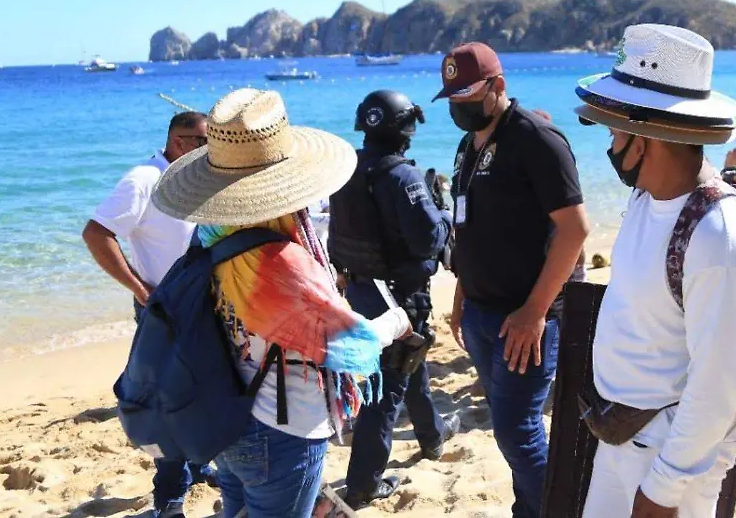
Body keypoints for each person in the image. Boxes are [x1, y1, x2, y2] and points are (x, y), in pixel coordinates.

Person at [150, 88, 412, 518]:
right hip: (280, 426)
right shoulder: (279, 260)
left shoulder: (211, 236)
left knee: (236, 506)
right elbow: (347, 341)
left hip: (223, 410)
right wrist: (396, 323)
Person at [574, 24, 736, 517]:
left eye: (616, 132)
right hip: (622, 436)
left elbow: (718, 381)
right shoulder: (646, 197)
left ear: (647, 137)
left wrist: (663, 489)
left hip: (669, 458)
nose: (610, 145)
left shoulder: (717, 233)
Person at [434, 42, 590, 518]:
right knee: (510, 429)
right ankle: (531, 508)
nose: (460, 108)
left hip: (525, 320)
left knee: (518, 432)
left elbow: (575, 230)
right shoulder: (469, 144)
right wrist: (462, 293)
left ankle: (557, 509)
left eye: (468, 97)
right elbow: (468, 227)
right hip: (482, 313)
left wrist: (535, 311)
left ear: (498, 86)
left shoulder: (536, 140)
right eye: (453, 100)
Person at [328, 90, 461, 509]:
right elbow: (428, 240)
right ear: (407, 130)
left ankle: (432, 436)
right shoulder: (403, 178)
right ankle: (364, 483)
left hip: (363, 290)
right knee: (389, 386)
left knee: (408, 362)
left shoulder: (346, 169)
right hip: (398, 296)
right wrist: (441, 210)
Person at [82, 110, 213, 518]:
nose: (213, 151)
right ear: (179, 142)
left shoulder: (195, 179)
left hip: (205, 308)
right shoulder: (145, 179)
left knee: (206, 393)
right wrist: (141, 289)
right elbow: (97, 232)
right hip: (166, 312)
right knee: (170, 403)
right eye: (205, 143)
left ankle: (199, 466)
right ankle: (170, 500)